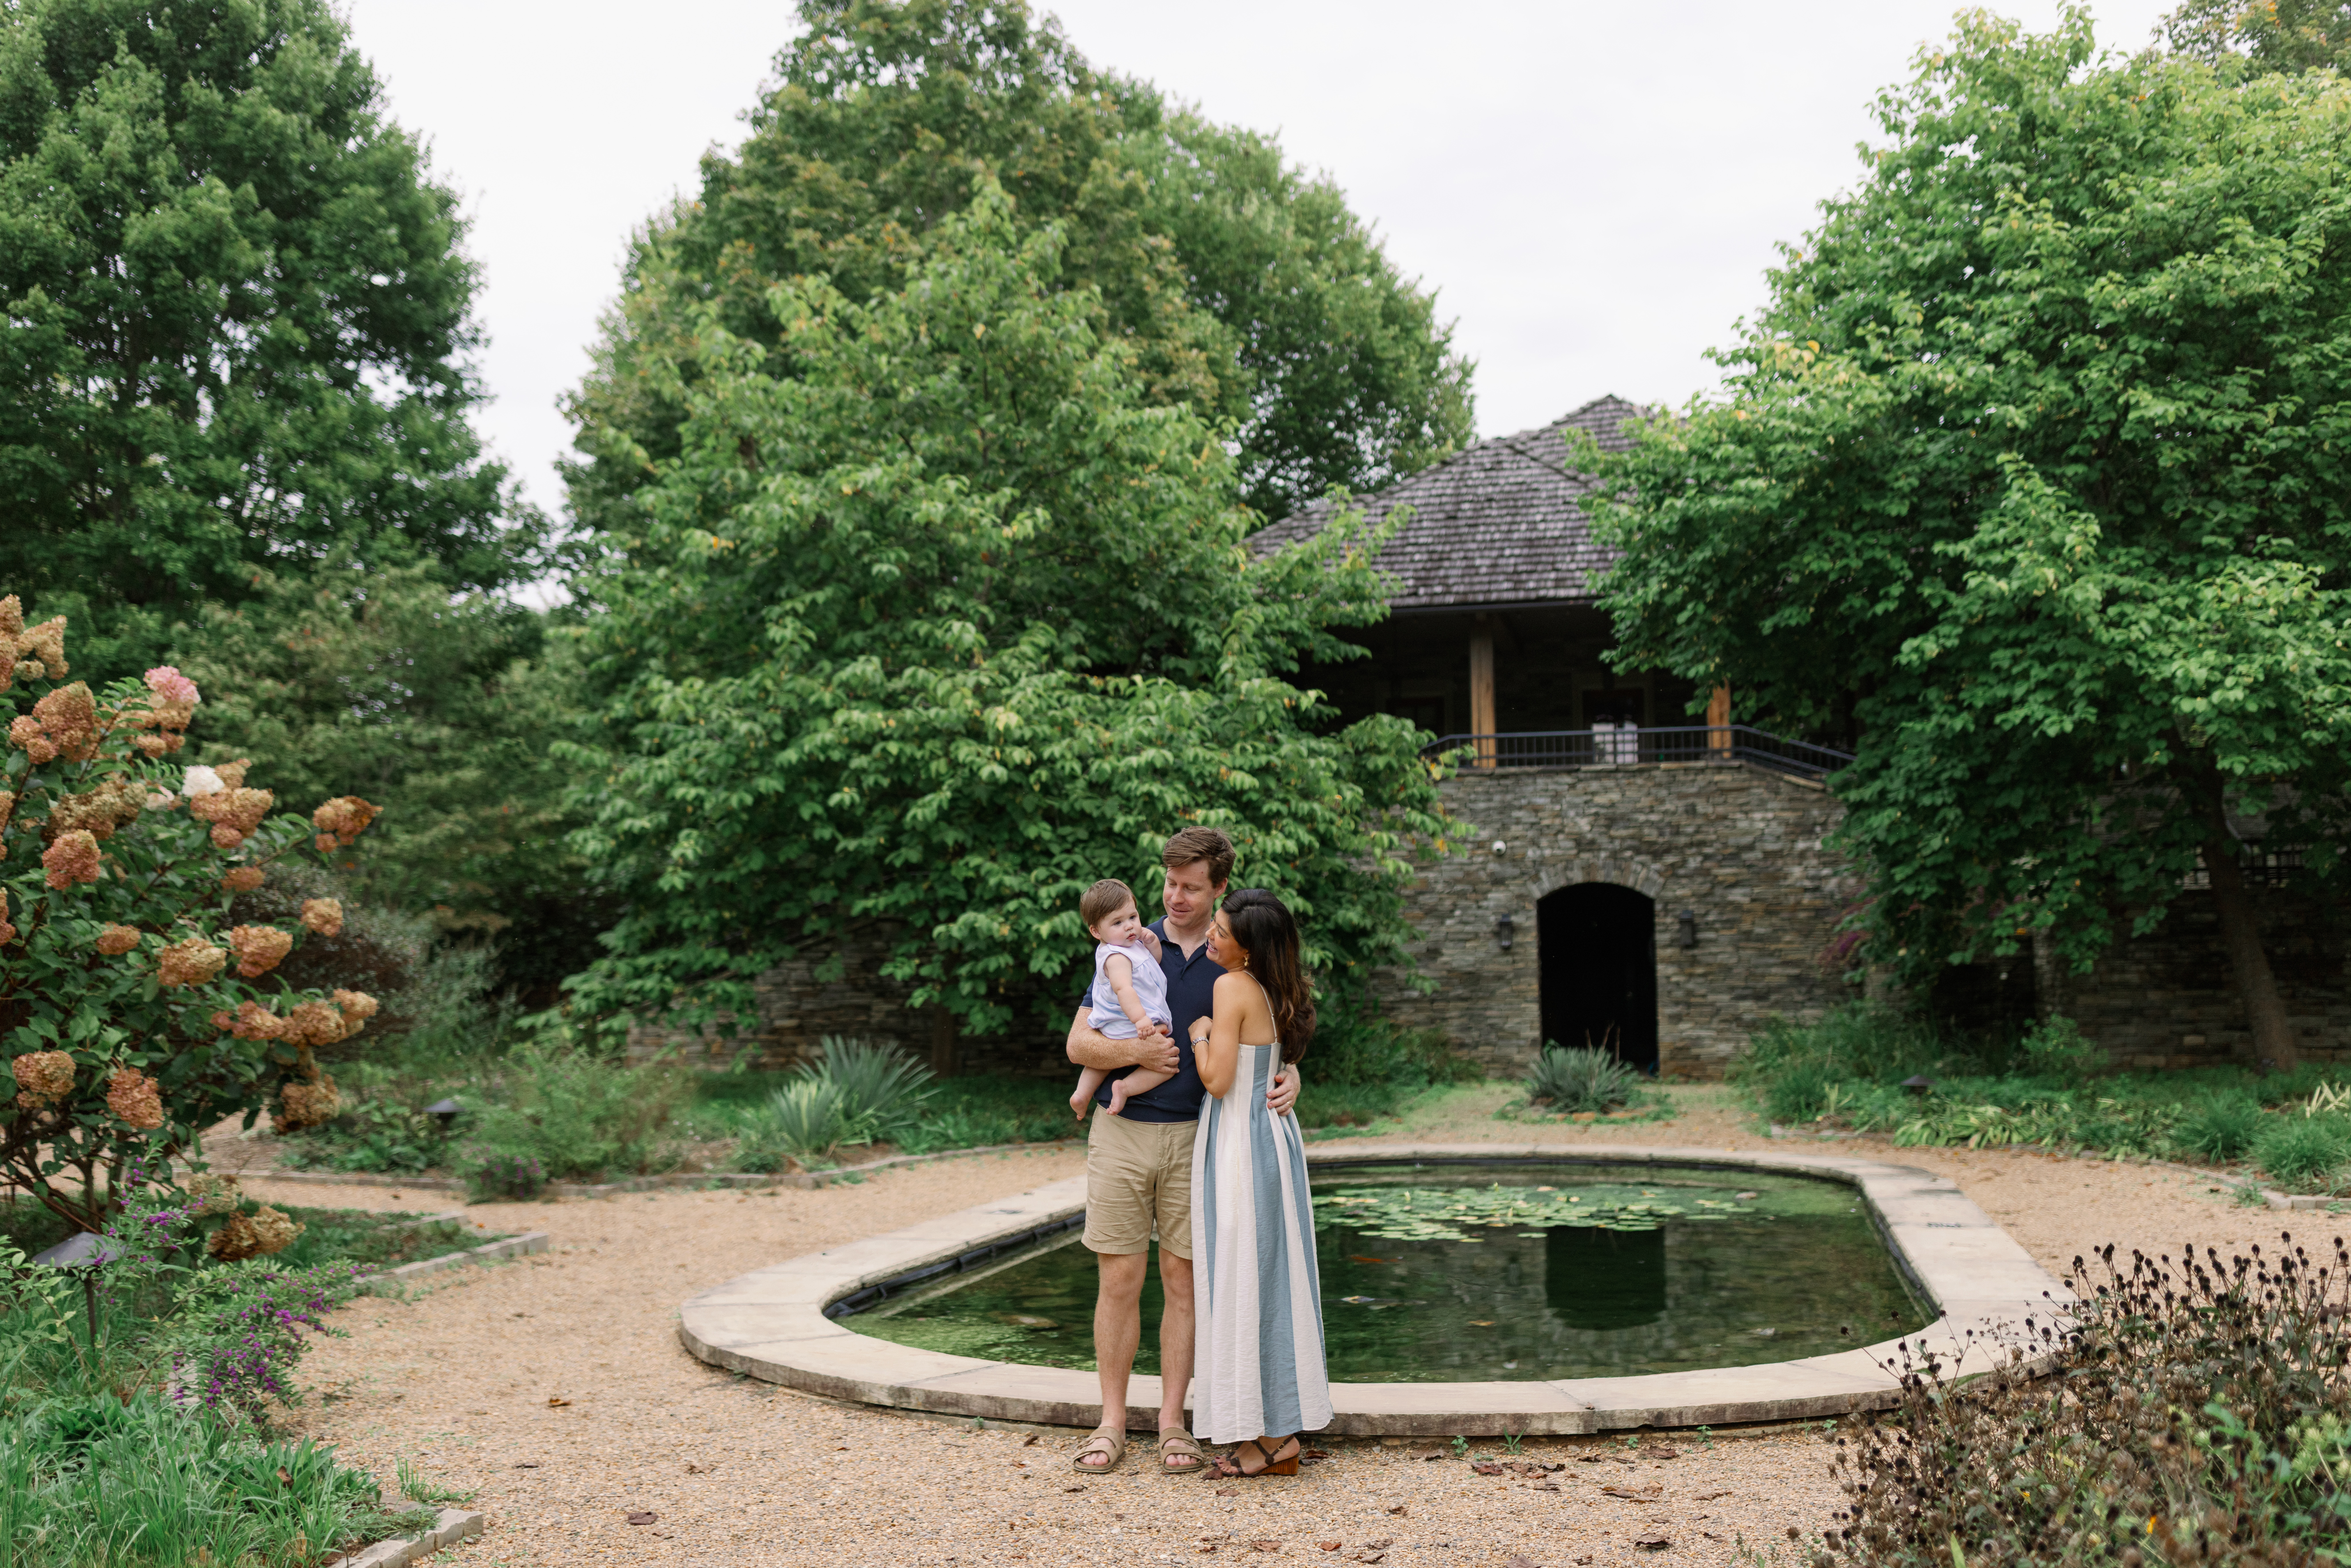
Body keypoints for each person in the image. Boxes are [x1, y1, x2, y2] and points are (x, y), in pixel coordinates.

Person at [1063, 828, 1301, 1478]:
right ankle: (1111, 1421)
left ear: (1219, 887)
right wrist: (1133, 1053)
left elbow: (1266, 1033)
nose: (1174, 897)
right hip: (1123, 1132)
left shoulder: (1235, 960)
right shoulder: (1131, 940)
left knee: (1184, 1281)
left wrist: (1288, 1073)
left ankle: (1174, 1423)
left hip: (1203, 1140)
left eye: (1191, 887)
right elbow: (1079, 1046)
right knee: (1118, 1279)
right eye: (1168, 883)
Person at [1189, 887, 1332, 1477]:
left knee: (1245, 1277)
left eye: (1220, 932)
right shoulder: (1279, 988)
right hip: (1276, 1140)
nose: (1210, 937)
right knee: (1276, 1277)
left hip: (1240, 1146)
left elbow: (1218, 1080)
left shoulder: (1229, 987)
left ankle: (1273, 1440)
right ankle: (1275, 1430)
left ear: (1249, 947)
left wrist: (1198, 1033)